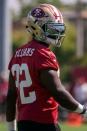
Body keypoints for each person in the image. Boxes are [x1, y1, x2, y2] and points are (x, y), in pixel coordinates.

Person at [6, 3, 87, 131]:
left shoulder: (17, 54)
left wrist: (11, 128)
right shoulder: (43, 54)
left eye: (57, 29)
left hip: (23, 124)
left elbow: (11, 95)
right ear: (36, 28)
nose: (56, 33)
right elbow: (58, 92)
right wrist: (83, 110)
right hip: (44, 123)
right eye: (51, 29)